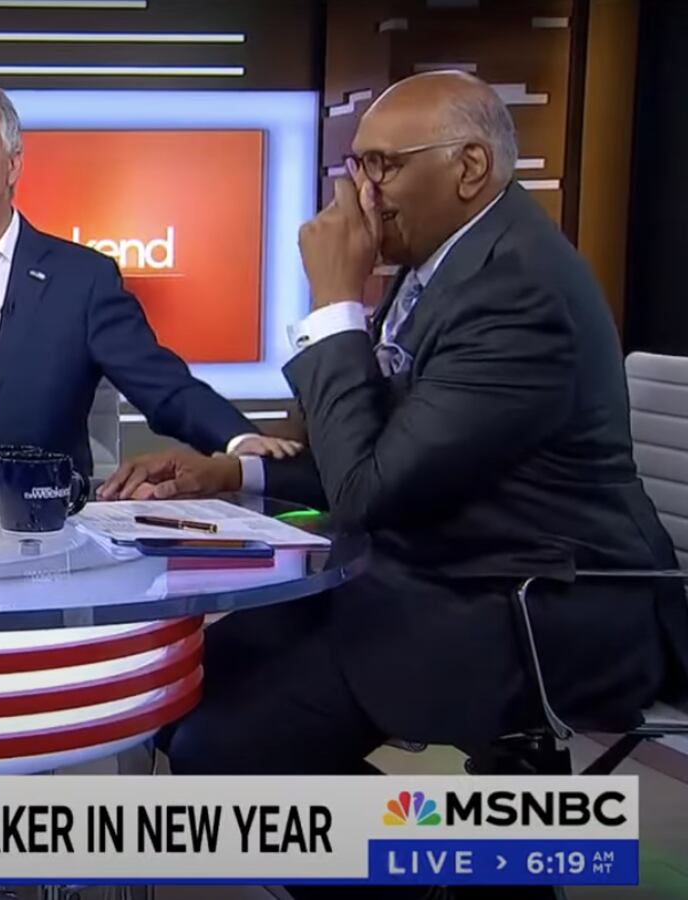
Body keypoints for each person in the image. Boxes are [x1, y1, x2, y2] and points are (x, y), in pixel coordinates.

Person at [101, 72, 688, 777]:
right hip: (422, 574)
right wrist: (230, 471)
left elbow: (368, 491)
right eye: (359, 166)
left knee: (226, 752)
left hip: (530, 607)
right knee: (179, 685)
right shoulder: (441, 261)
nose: (363, 195)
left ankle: (444, 871)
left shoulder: (518, 292)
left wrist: (335, 306)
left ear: (469, 167)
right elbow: (371, 452)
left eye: (383, 165)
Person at [0, 69, 294, 474]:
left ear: (13, 162)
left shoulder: (83, 280)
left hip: (49, 538)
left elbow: (163, 385)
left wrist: (238, 441)